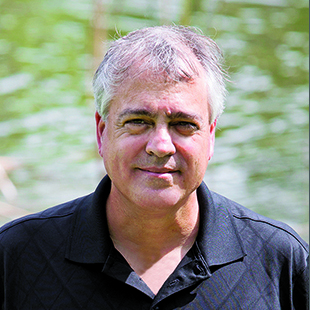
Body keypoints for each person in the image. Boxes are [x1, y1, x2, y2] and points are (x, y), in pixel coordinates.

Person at [0, 25, 308, 310]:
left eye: (184, 124)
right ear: (102, 132)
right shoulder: (17, 256)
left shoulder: (280, 261)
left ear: (211, 136)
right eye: (138, 122)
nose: (161, 145)